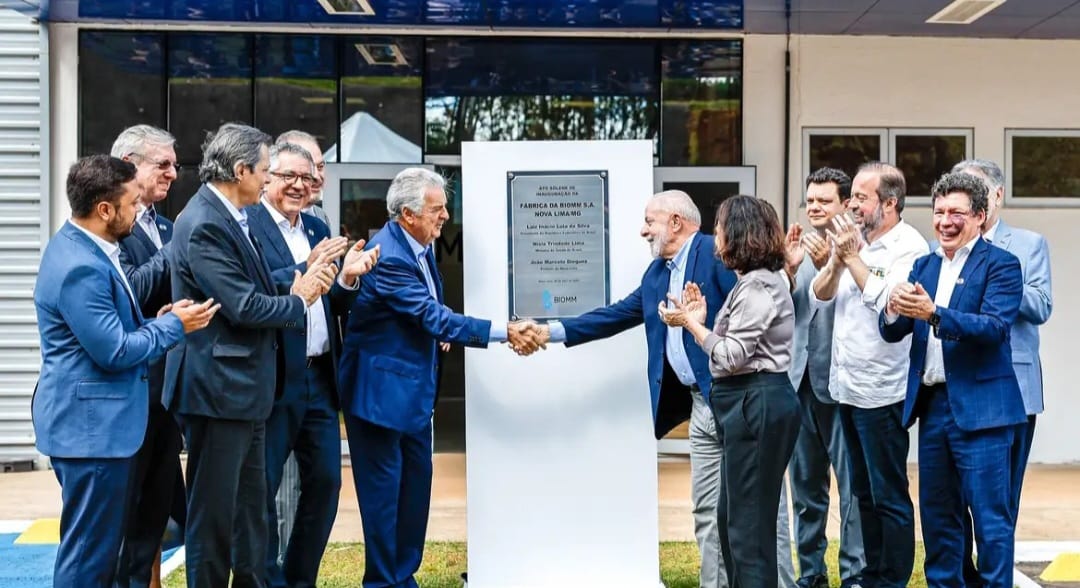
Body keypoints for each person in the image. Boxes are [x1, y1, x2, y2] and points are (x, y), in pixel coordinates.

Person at [535, 189, 796, 588]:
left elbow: (758, 313)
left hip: (743, 403)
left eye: (649, 220)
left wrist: (694, 323)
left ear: (675, 222)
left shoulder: (721, 254)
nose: (643, 230)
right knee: (711, 510)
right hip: (703, 407)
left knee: (757, 510)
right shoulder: (656, 274)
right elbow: (615, 315)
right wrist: (550, 330)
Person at [338, 167, 541, 587]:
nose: (446, 216)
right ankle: (383, 582)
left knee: (415, 493)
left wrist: (435, 335)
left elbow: (423, 314)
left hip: (412, 396)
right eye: (438, 209)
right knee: (385, 500)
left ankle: (402, 576)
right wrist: (505, 330)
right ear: (408, 214)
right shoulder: (389, 255)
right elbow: (431, 314)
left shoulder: (420, 246)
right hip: (379, 399)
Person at [162, 123, 338, 587]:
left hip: (247, 392)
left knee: (250, 518)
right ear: (240, 171)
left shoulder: (230, 214)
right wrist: (299, 297)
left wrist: (303, 274)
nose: (267, 181)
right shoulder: (202, 223)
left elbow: (258, 283)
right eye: (265, 171)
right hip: (218, 393)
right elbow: (242, 305)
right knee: (214, 520)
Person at [32, 155, 218, 587]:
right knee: (89, 557)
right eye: (133, 203)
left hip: (98, 429)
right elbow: (114, 350)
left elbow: (113, 330)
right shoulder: (80, 266)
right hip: (92, 433)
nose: (140, 210)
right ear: (104, 209)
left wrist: (158, 320)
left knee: (99, 551)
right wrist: (175, 326)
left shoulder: (89, 247)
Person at [880, 171, 1026, 588]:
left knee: (990, 520)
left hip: (984, 413)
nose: (945, 220)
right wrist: (893, 308)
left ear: (980, 216)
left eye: (956, 212)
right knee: (939, 518)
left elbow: (994, 328)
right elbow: (894, 330)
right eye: (939, 211)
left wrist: (934, 314)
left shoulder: (1001, 264)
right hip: (934, 408)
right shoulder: (923, 264)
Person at [247, 141, 379, 586]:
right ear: (267, 178)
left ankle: (298, 579)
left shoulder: (318, 225)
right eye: (288, 176)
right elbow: (257, 290)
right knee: (261, 490)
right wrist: (308, 267)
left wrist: (346, 276)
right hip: (275, 376)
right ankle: (266, 578)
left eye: (307, 178)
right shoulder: (248, 225)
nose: (299, 186)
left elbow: (330, 301)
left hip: (320, 377)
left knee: (325, 484)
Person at [661, 194, 801, 588]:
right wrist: (704, 320)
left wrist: (692, 325)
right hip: (747, 404)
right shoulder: (750, 283)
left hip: (756, 402)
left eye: (720, 229)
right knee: (732, 521)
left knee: (747, 529)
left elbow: (733, 355)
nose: (715, 237)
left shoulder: (758, 286)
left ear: (738, 235)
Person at [809, 162, 926, 588]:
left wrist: (852, 257)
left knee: (889, 496)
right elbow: (819, 296)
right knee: (861, 494)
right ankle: (870, 577)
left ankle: (891, 580)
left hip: (884, 391)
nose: (852, 204)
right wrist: (839, 261)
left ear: (890, 203)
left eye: (861, 196)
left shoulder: (908, 248)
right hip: (846, 389)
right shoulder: (853, 242)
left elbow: (890, 303)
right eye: (853, 196)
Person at [948, 160, 1053, 587]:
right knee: (952, 503)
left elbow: (1042, 305)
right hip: (956, 388)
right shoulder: (947, 244)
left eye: (974, 189)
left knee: (999, 502)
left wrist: (996, 281)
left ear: (996, 196)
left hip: (1013, 389)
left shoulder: (1027, 244)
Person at [111, 124, 187, 588]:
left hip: (167, 394)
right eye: (163, 164)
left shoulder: (166, 225)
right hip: (127, 394)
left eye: (174, 165)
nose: (174, 175)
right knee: (122, 518)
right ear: (128, 165)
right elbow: (130, 291)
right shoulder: (107, 226)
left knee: (156, 515)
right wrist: (177, 250)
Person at [784, 168, 865, 588]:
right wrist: (788, 267)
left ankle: (854, 574)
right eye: (810, 199)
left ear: (846, 203)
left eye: (824, 200)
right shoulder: (794, 247)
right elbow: (787, 311)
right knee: (805, 490)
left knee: (851, 490)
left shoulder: (861, 249)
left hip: (841, 385)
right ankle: (811, 574)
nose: (814, 206)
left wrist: (832, 265)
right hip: (799, 384)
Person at [277, 130, 331, 227]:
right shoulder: (258, 217)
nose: (316, 176)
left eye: (320, 166)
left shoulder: (321, 217)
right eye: (307, 168)